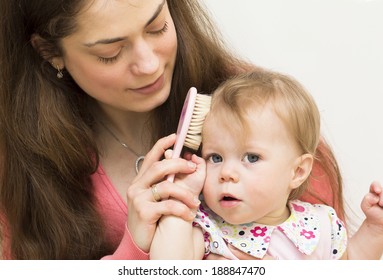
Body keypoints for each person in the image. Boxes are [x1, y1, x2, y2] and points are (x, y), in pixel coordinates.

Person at [0, 0, 343, 259]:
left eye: (157, 27)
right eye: (111, 52)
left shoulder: (261, 110)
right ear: (49, 52)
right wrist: (134, 247)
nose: (149, 64)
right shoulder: (20, 167)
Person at [150, 70, 383, 260]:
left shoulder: (321, 226)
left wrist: (375, 229)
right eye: (216, 158)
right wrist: (179, 202)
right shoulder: (206, 228)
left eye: (251, 158)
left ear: (298, 171)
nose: (227, 173)